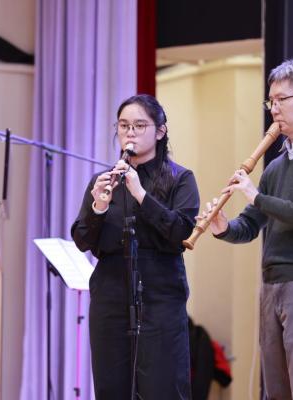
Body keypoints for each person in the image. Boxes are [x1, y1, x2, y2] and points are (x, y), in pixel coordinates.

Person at [203, 58, 293, 399]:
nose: (273, 108)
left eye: (281, 99)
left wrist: (256, 195)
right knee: (276, 392)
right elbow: (251, 224)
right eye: (271, 101)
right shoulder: (276, 166)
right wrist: (223, 226)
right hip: (272, 285)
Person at [71, 94, 200, 399]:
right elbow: (82, 239)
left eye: (140, 126)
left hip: (160, 295)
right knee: (111, 387)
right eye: (124, 125)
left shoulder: (180, 178)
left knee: (162, 387)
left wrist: (142, 195)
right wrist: (98, 207)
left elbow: (180, 231)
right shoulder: (103, 180)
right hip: (110, 295)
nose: (130, 133)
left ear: (160, 131)